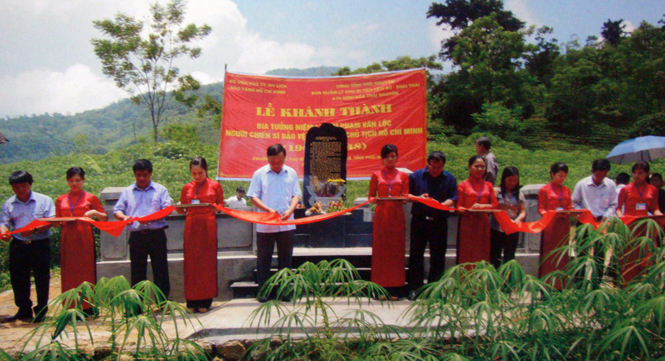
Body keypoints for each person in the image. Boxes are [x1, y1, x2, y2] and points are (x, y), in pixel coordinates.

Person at [247, 144, 302, 302]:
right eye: (273, 162)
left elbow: (296, 195)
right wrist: (268, 210)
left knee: (286, 259)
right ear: (268, 159)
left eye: (279, 161)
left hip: (286, 223)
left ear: (285, 158)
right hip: (266, 224)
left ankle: (285, 291)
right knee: (264, 259)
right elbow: (253, 197)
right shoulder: (260, 174)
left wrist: (291, 210)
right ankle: (264, 291)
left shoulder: (291, 173)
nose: (276, 165)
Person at [0, 171, 55, 323]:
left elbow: (51, 221)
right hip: (19, 245)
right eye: (16, 187)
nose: (20, 190)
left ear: (30, 184)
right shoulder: (8, 204)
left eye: (23, 186)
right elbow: (4, 223)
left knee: (41, 277)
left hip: (39, 244)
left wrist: (34, 230)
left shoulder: (44, 200)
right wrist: (4, 233)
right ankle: (23, 309)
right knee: (18, 278)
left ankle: (42, 310)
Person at [113, 159, 172, 299]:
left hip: (156, 234)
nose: (141, 178)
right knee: (137, 272)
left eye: (145, 175)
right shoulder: (128, 191)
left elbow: (167, 209)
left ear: (150, 173)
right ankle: (137, 305)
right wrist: (123, 217)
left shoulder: (160, 190)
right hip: (137, 236)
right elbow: (117, 210)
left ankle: (162, 303)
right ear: (134, 174)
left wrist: (150, 218)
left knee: (161, 270)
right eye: (138, 175)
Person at [55, 167, 107, 315]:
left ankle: (88, 307)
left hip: (84, 238)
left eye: (77, 180)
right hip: (68, 238)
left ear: (83, 180)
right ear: (67, 181)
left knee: (86, 271)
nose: (74, 183)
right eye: (71, 180)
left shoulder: (90, 198)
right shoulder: (61, 199)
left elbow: (104, 218)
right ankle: (70, 307)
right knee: (68, 272)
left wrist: (95, 212)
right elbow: (57, 221)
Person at [176, 157, 225, 313]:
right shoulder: (187, 188)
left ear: (206, 170)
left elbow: (221, 206)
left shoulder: (215, 185)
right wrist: (178, 207)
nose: (197, 177)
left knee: (206, 262)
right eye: (194, 173)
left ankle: (205, 301)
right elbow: (183, 208)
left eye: (200, 173)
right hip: (191, 226)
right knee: (191, 263)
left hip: (208, 225)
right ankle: (191, 300)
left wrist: (215, 208)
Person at [407, 151, 457, 300]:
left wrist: (440, 205)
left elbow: (453, 198)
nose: (435, 170)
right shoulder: (416, 176)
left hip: (439, 221)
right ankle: (415, 288)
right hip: (420, 220)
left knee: (438, 256)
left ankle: (435, 289)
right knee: (416, 255)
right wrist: (419, 198)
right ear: (427, 163)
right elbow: (406, 195)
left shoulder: (449, 178)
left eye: (439, 167)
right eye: (433, 167)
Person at [369, 144, 409, 299]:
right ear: (383, 159)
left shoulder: (403, 176)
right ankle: (380, 289)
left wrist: (400, 198)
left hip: (397, 216)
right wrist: (378, 199)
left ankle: (396, 289)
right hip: (382, 216)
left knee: (396, 251)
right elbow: (371, 197)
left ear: (397, 157)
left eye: (393, 156)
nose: (390, 159)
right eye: (387, 157)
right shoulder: (376, 175)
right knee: (381, 251)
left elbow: (405, 197)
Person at [571, 159, 617, 287]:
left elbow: (613, 204)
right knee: (582, 253)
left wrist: (606, 216)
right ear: (592, 171)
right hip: (585, 223)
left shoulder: (611, 185)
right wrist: (584, 213)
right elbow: (574, 202)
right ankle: (579, 283)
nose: (599, 178)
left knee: (600, 254)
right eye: (597, 175)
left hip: (602, 223)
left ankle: (596, 283)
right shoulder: (582, 184)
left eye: (603, 176)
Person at [617, 162, 662, 285]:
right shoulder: (626, 189)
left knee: (645, 255)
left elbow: (654, 208)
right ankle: (626, 284)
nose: (637, 176)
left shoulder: (653, 189)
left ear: (647, 174)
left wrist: (659, 215)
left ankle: (644, 284)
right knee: (629, 255)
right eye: (635, 173)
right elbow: (618, 208)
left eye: (641, 173)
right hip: (630, 225)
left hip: (645, 226)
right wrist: (621, 218)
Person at [456, 155, 499, 266]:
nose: (480, 169)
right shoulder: (462, 185)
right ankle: (464, 281)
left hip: (483, 223)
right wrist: (468, 210)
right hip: (467, 223)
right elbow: (458, 207)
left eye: (482, 166)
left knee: (482, 252)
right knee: (466, 253)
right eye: (477, 166)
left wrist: (482, 207)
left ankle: (481, 281)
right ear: (469, 167)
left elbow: (495, 205)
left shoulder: (488, 185)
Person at [537, 162, 573, 286]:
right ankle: (546, 284)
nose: (562, 179)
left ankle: (560, 285)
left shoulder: (567, 190)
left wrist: (569, 212)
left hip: (563, 225)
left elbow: (569, 207)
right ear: (552, 174)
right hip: (550, 225)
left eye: (564, 176)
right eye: (560, 175)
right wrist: (548, 214)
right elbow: (540, 208)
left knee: (562, 254)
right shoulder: (544, 190)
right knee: (549, 254)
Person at [489, 166, 526, 270]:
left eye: (515, 180)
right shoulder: (497, 192)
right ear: (504, 179)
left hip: (512, 228)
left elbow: (522, 211)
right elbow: (493, 208)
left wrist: (517, 220)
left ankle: (507, 282)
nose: (512, 183)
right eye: (510, 180)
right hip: (497, 228)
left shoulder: (519, 194)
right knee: (495, 257)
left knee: (509, 257)